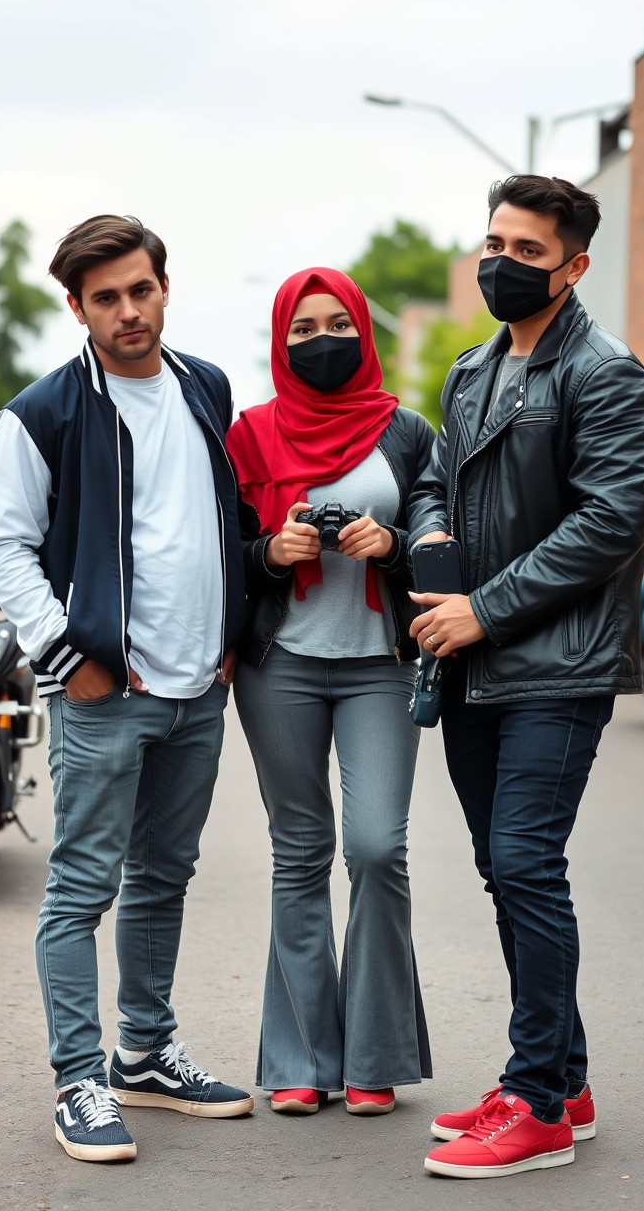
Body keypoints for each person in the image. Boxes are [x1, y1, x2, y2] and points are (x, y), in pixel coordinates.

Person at [0, 215, 253, 1164]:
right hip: (103, 692)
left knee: (164, 877)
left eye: (141, 289)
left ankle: (144, 1052)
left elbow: (222, 520)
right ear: (78, 307)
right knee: (80, 889)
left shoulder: (207, 388)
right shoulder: (43, 411)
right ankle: (78, 1081)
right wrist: (69, 656)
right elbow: (5, 549)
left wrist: (230, 635)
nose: (129, 311)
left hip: (196, 689)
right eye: (106, 298)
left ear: (164, 286)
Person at [407, 176, 644, 1179]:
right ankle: (560, 1073)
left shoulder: (605, 374)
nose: (501, 263)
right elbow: (438, 470)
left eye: (526, 250)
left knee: (523, 862)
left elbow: (608, 523)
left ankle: (539, 1104)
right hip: (472, 661)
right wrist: (429, 524)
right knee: (503, 868)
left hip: (555, 663)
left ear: (574, 266)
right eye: (494, 242)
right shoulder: (470, 370)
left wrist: (485, 605)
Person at [226, 267, 434, 1116]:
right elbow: (224, 551)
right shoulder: (248, 434)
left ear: (363, 330)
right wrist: (272, 555)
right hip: (281, 665)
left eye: (335, 324)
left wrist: (387, 544)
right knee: (299, 853)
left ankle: (375, 1052)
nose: (320, 342)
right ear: (281, 343)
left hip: (379, 665)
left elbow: (438, 537)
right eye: (301, 331)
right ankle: (304, 1057)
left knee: (379, 848)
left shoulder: (409, 432)